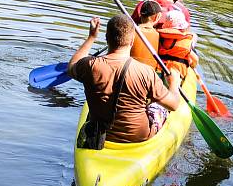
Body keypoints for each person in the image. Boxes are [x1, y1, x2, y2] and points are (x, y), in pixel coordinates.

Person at [67, 14, 181, 148]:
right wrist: (174, 84)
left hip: (101, 134)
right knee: (158, 107)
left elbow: (72, 65)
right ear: (132, 40)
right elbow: (173, 105)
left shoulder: (90, 65)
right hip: (139, 138)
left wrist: (91, 37)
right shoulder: (146, 72)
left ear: (106, 38)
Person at [156, 10, 199, 77]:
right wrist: (192, 65)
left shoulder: (159, 36)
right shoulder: (185, 41)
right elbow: (195, 60)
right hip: (176, 70)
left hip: (159, 66)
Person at [130, 0, 162, 71]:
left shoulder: (131, 31)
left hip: (130, 70)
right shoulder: (159, 36)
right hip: (149, 75)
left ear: (140, 14)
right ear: (157, 17)